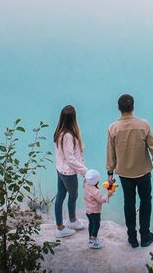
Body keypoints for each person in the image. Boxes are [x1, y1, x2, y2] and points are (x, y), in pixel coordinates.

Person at [106, 93, 153, 248]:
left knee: (128, 202)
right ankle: (145, 235)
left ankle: (132, 237)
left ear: (118, 108)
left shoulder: (113, 127)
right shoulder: (144, 125)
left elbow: (110, 152)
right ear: (133, 107)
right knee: (146, 200)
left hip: (124, 174)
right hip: (143, 172)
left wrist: (110, 174)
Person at [53, 104, 88, 238]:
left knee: (60, 196)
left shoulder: (59, 132)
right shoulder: (68, 136)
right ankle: (70, 221)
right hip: (68, 172)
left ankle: (61, 226)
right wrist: (85, 171)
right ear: (73, 119)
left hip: (60, 169)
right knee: (73, 195)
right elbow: (70, 158)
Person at [83, 169, 115, 249]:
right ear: (97, 181)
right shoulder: (95, 191)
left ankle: (90, 237)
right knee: (96, 225)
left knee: (91, 223)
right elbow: (101, 199)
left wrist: (110, 184)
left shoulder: (86, 184)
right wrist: (108, 195)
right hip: (95, 212)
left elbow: (86, 179)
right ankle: (93, 240)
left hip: (88, 210)